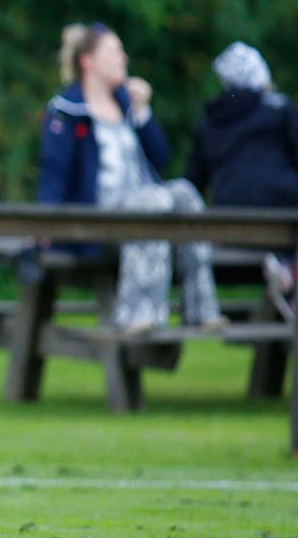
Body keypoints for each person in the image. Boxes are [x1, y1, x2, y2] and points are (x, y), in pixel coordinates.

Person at [38, 23, 224, 333]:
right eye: (114, 51)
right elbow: (54, 170)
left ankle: (200, 307)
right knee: (154, 199)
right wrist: (44, 225)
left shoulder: (126, 106)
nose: (123, 58)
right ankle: (138, 314)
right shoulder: (67, 111)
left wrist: (142, 111)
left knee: (185, 194)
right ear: (88, 62)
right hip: (96, 221)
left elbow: (160, 160)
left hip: (144, 208)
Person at [186, 41, 298, 303]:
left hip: (228, 221)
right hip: (283, 215)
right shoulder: (281, 110)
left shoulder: (210, 121)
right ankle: (288, 269)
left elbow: (193, 182)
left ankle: (284, 273)